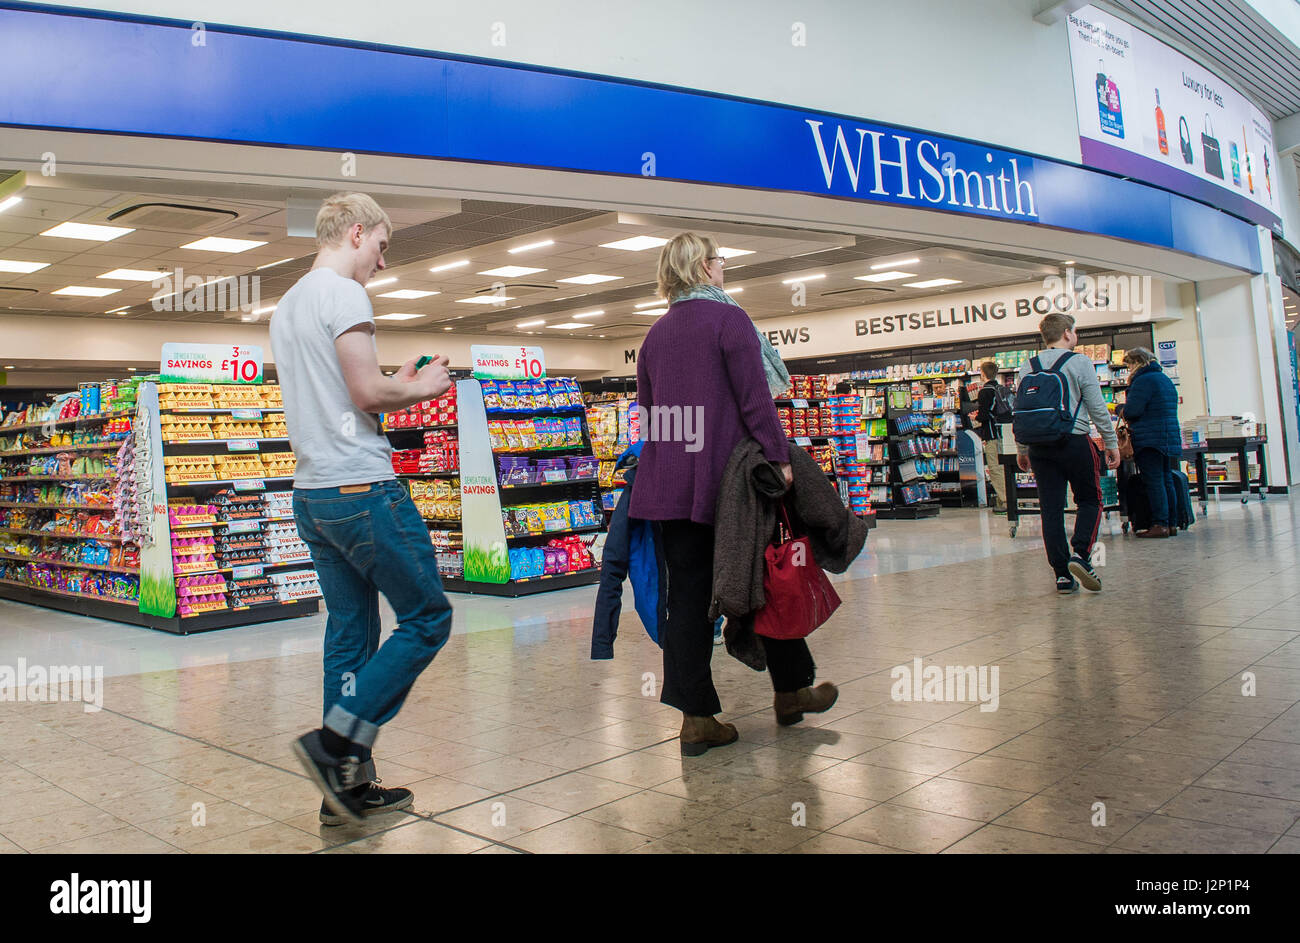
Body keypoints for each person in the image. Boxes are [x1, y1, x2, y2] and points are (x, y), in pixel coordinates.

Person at [270, 192, 455, 826]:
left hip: (313, 494)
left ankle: (344, 789)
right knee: (427, 617)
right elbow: (364, 391)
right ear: (355, 233)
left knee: (349, 635)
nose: (381, 261)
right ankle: (336, 745)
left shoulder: (289, 302)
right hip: (360, 489)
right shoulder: (345, 295)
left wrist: (392, 382)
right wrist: (420, 388)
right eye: (381, 246)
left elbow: (344, 396)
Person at [630, 231, 837, 756]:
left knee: (690, 600)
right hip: (731, 484)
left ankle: (697, 718)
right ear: (703, 266)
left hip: (671, 487)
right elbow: (754, 399)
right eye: (720, 260)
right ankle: (791, 691)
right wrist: (778, 457)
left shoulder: (655, 336)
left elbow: (651, 414)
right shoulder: (730, 320)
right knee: (761, 578)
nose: (725, 268)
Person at [1015, 313, 1121, 594]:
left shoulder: (1027, 366)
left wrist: (1022, 448)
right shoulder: (1079, 362)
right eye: (1075, 331)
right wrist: (1111, 442)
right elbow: (1097, 407)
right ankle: (1081, 555)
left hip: (1039, 447)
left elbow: (1021, 411)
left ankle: (1062, 575)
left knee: (1050, 509)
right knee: (1090, 499)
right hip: (1074, 441)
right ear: (1066, 333)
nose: (1076, 335)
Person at [1117, 347, 1182, 538]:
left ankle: (1159, 524)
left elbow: (1132, 411)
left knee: (1153, 481)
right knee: (1166, 479)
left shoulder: (1143, 381)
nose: (1128, 370)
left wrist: (1119, 408)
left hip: (1149, 438)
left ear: (1136, 363)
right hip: (1167, 436)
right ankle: (1171, 523)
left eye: (1129, 365)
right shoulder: (1164, 379)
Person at [971, 362, 1008, 512]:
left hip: (992, 433)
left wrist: (975, 417)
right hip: (1005, 433)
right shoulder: (1001, 389)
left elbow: (985, 415)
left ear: (983, 374)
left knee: (994, 467)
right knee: (1005, 467)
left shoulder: (985, 391)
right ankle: (1003, 499)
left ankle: (1005, 501)